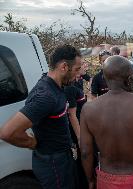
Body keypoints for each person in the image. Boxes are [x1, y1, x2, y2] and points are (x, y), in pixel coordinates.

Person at [0, 44, 82, 189]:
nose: (78, 75)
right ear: (64, 67)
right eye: (76, 70)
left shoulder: (54, 85)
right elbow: (8, 132)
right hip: (53, 164)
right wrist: (33, 144)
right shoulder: (46, 96)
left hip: (61, 157)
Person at [80, 55, 133, 189]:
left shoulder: (89, 109)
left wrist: (90, 179)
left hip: (106, 178)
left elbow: (85, 151)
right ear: (130, 79)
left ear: (104, 78)